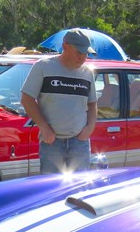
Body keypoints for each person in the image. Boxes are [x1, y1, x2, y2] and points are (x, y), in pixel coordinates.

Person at [20, 29, 98, 174]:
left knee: (79, 187)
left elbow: (92, 103)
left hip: (79, 142)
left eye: (85, 53)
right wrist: (43, 127)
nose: (83, 57)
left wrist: (90, 127)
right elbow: (27, 99)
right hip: (51, 142)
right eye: (79, 52)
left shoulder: (87, 72)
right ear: (65, 47)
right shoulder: (43, 66)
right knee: (51, 188)